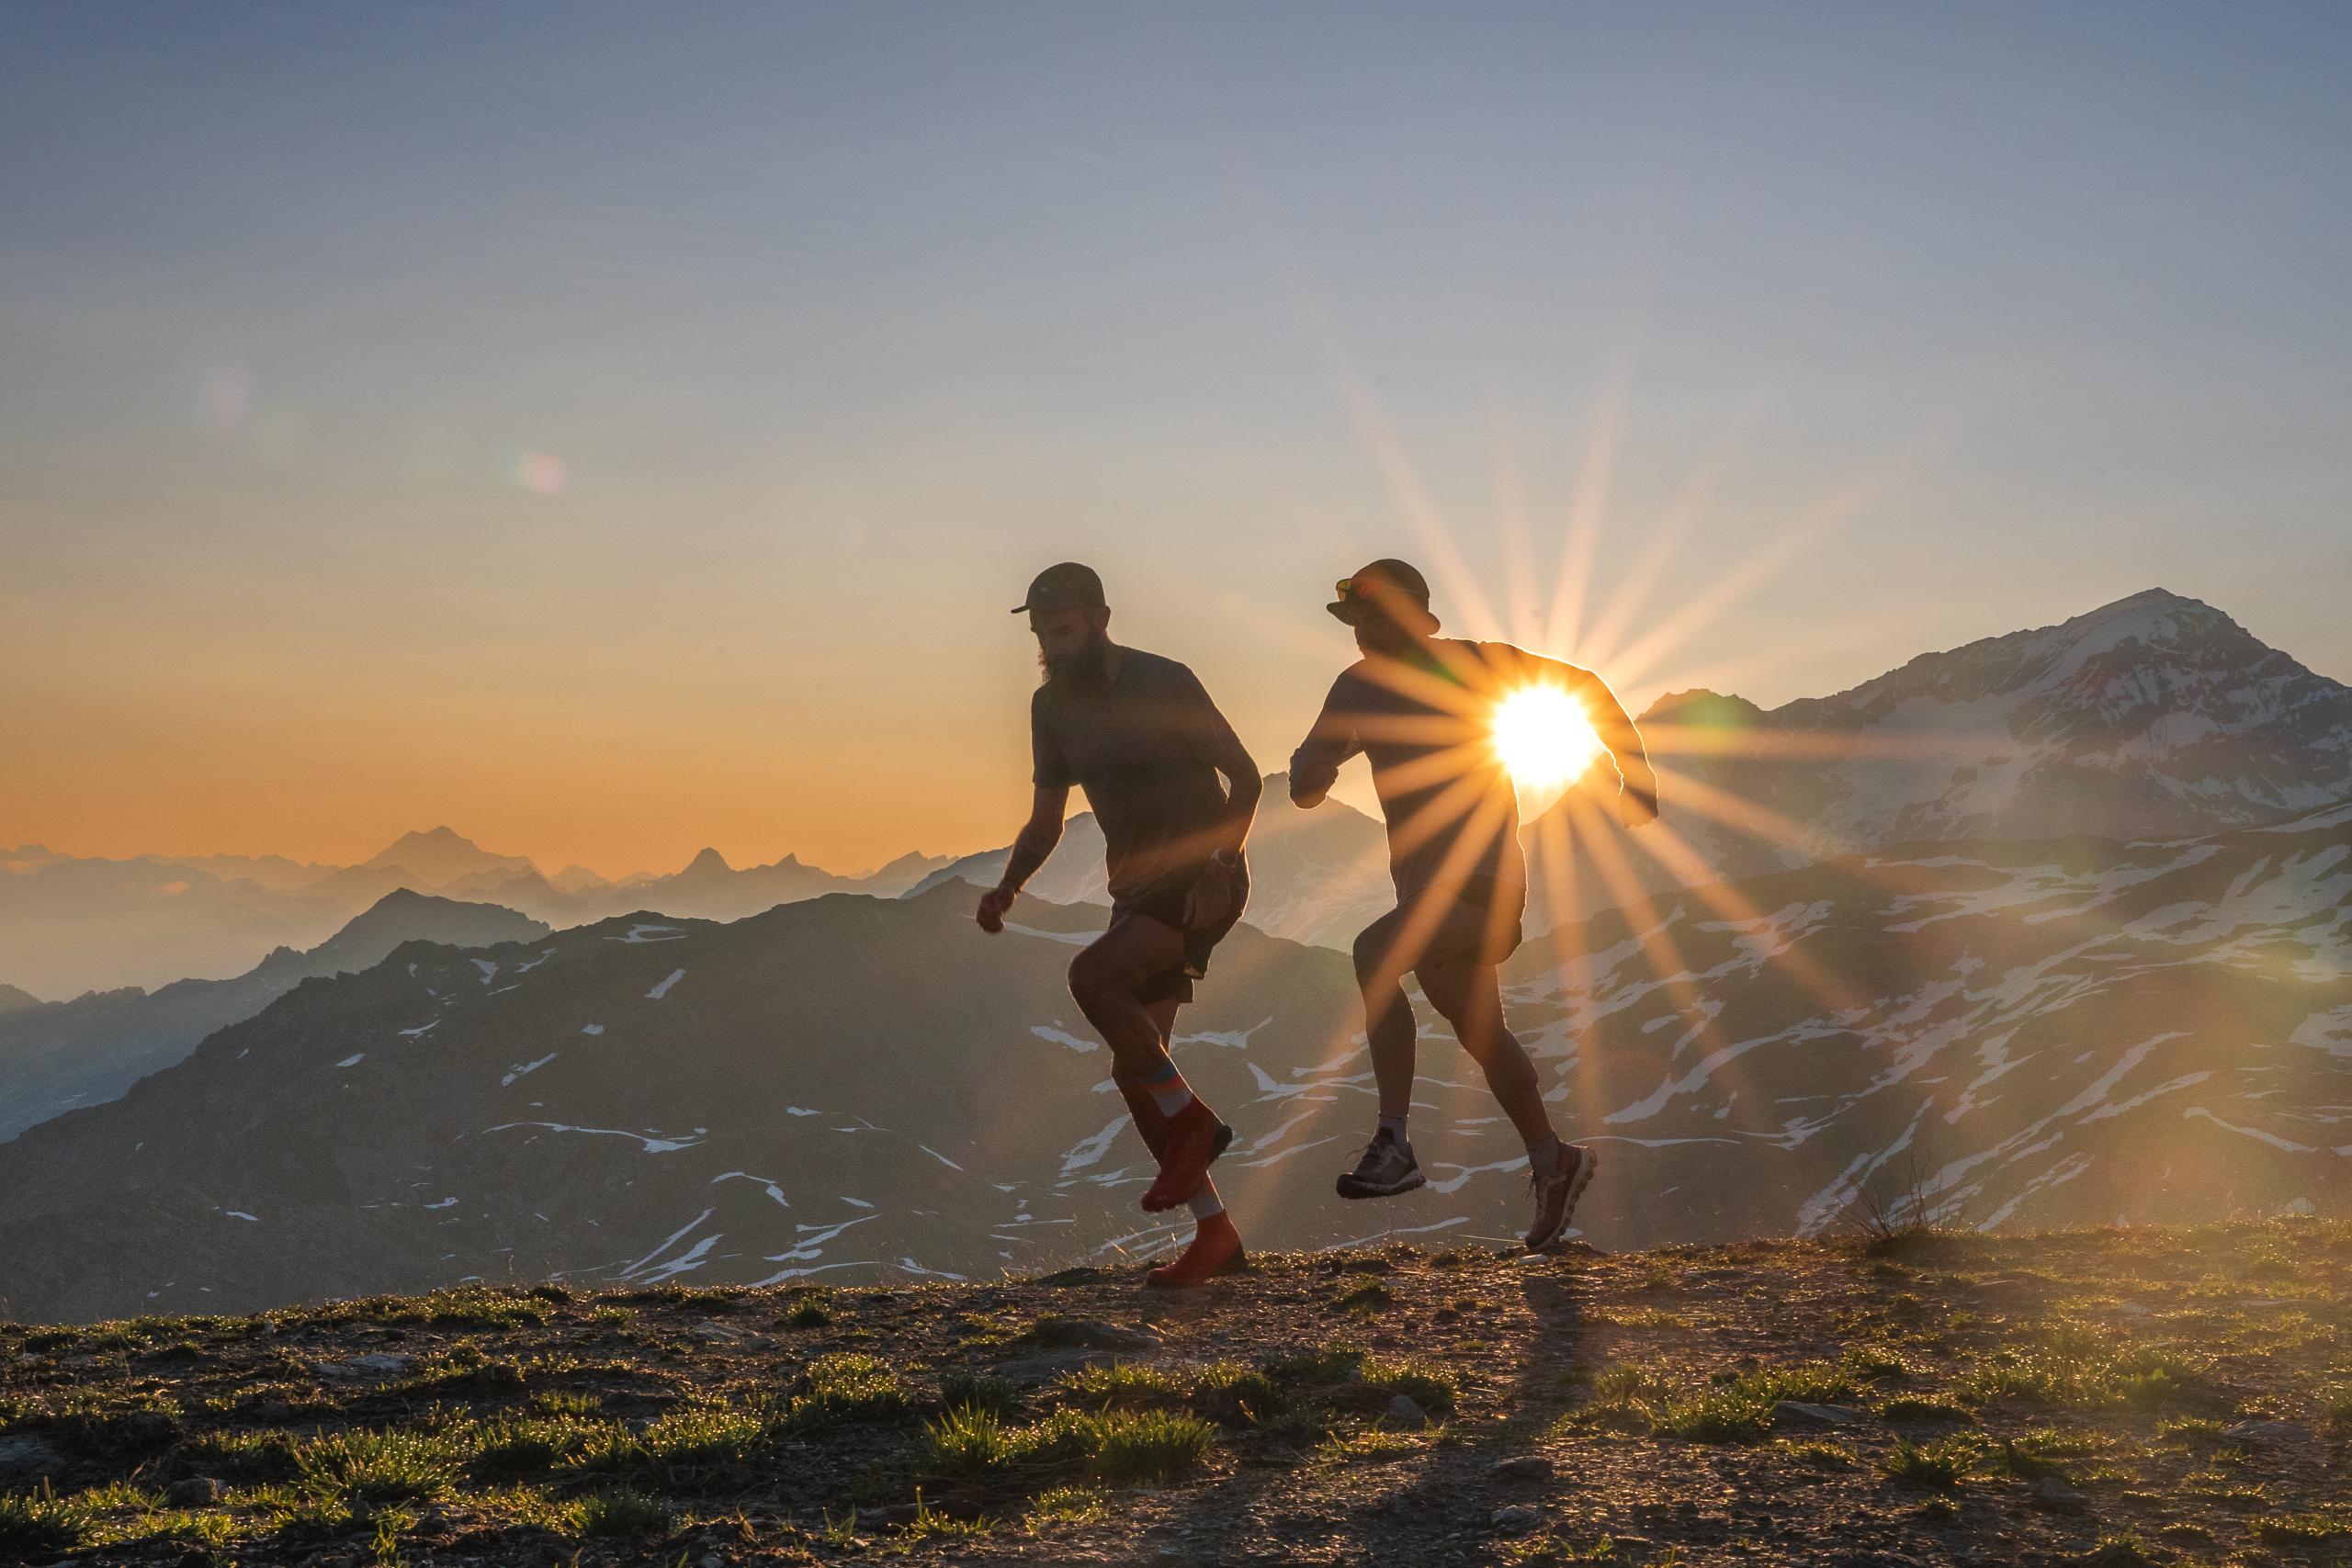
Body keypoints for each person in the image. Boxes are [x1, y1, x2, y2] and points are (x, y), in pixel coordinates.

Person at [1289, 558, 1657, 1251]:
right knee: (1478, 1028)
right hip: (1423, 886)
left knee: (1374, 953)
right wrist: (1310, 774)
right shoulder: (1357, 688)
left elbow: (1586, 688)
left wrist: (1632, 773)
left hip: (1484, 881)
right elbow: (1309, 775)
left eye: (1374, 616)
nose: (1363, 631)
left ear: (1419, 618)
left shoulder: (1477, 665)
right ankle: (1554, 1160)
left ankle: (1393, 1141)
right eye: (1356, 621)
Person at [976, 562, 1262, 1286]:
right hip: (1137, 892)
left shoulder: (1166, 681)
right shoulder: (1051, 708)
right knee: (1137, 1070)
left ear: (1101, 618)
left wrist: (1222, 863)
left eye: (1063, 628)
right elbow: (1044, 822)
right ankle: (1217, 1236)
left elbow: (1247, 776)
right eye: (1041, 633)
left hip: (1203, 880)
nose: (1051, 643)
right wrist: (1008, 886)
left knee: (1091, 976)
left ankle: (1195, 1123)